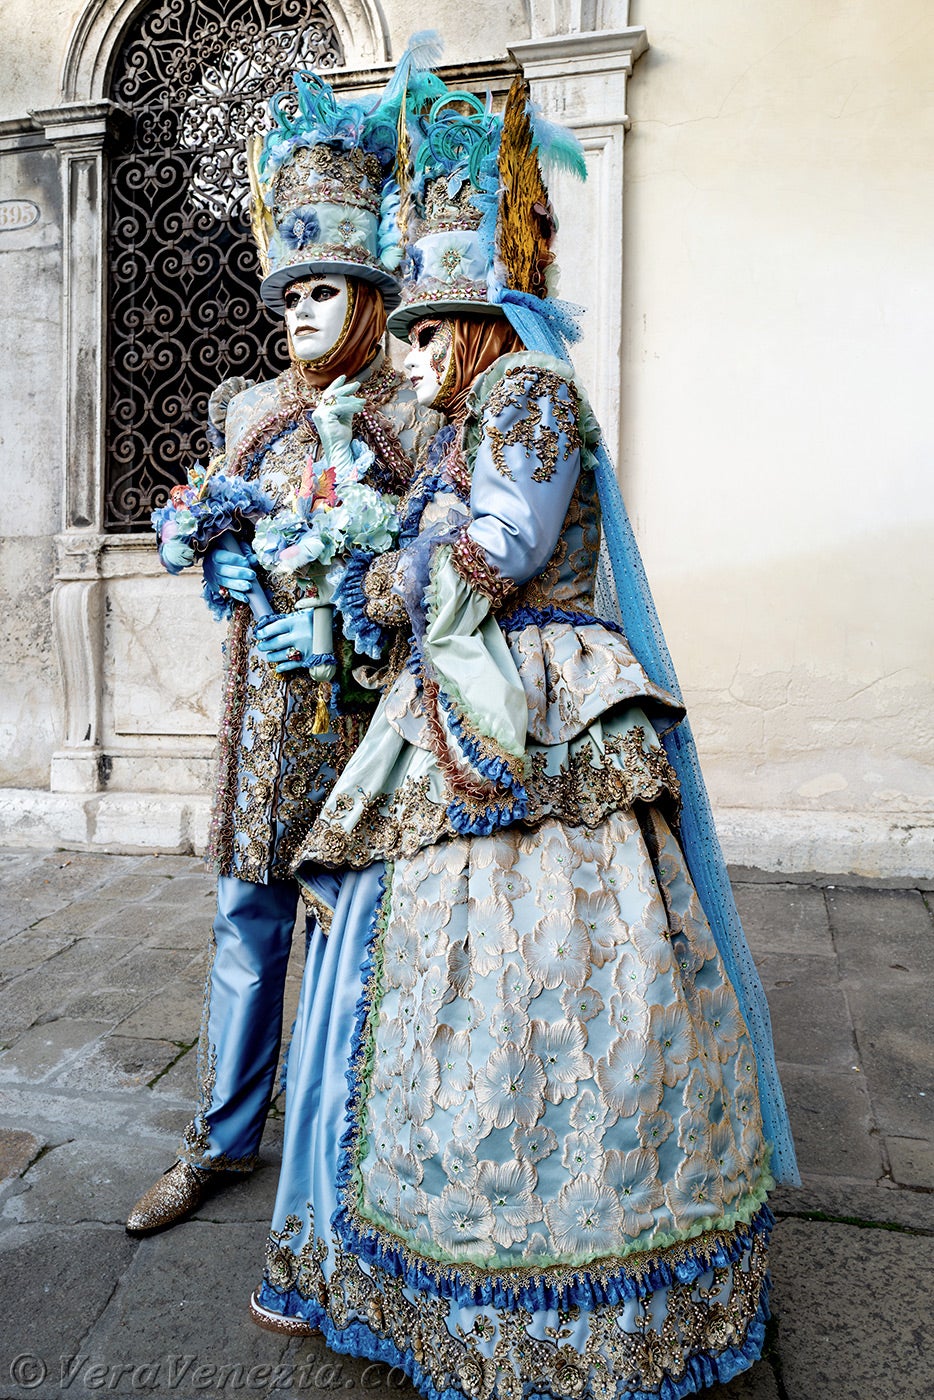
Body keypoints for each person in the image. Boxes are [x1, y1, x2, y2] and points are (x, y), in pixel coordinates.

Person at [248, 76, 798, 1398]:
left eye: (428, 333)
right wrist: (372, 576)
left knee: (554, 980)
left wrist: (386, 575)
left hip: (536, 702)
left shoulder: (531, 392)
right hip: (462, 691)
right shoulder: (466, 415)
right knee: (391, 968)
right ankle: (375, 1251)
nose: (412, 358)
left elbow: (498, 548)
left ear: (482, 321)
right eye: (408, 336)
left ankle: (560, 1293)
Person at [125, 61, 442, 1234]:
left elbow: (449, 570)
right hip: (263, 708)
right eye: (291, 294)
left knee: (359, 930)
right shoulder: (248, 410)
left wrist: (363, 615)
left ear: (367, 297)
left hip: (371, 714)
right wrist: (216, 557)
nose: (300, 313)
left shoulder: (416, 413)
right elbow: (210, 512)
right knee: (246, 915)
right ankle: (220, 1137)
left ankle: (343, 1140)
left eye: (324, 291)